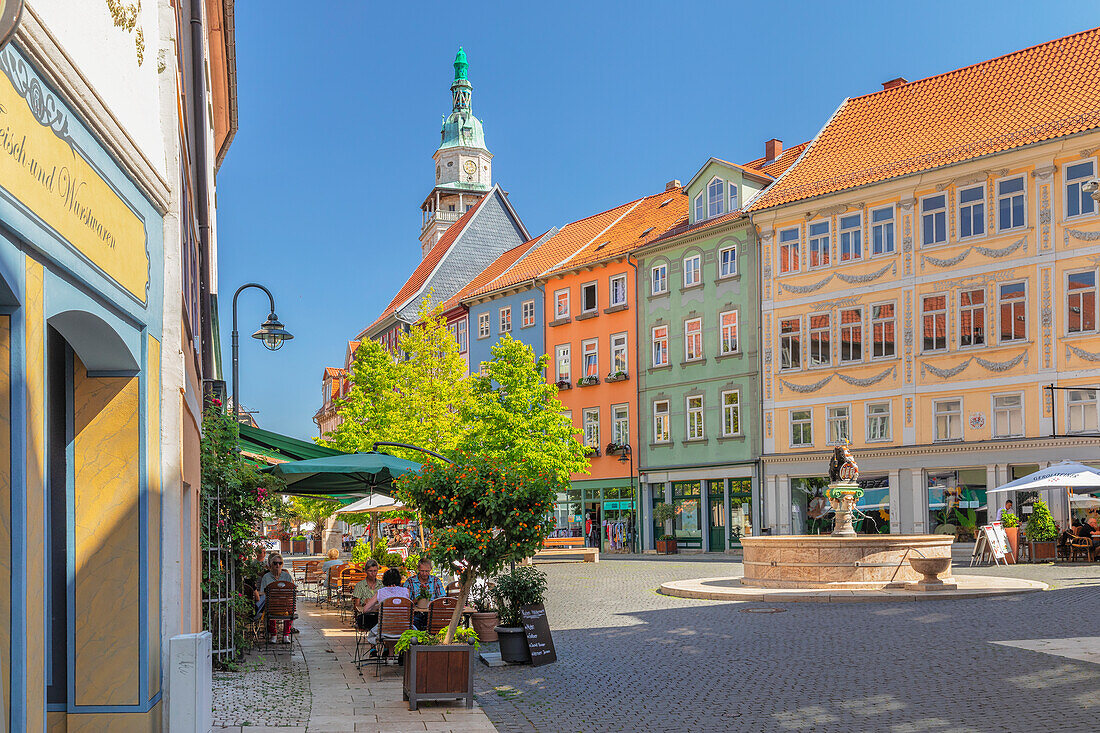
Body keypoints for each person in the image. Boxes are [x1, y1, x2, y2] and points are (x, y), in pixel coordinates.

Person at [256, 554, 295, 643]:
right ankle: (274, 635)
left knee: (290, 608)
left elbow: (291, 591)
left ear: (282, 564)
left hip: (284, 603)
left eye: (280, 563)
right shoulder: (266, 577)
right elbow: (262, 592)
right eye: (275, 563)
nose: (277, 565)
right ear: (271, 564)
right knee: (269, 608)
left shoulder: (287, 576)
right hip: (272, 603)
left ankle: (286, 635)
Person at [405, 558, 445, 630]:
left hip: (432, 614)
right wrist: (416, 600)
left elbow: (442, 598)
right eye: (422, 571)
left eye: (427, 571)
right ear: (418, 569)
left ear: (431, 569)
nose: (424, 574)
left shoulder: (436, 581)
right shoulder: (410, 581)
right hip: (416, 614)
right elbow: (406, 601)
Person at [351, 559, 381, 633]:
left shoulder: (382, 584)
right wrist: (363, 604)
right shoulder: (360, 585)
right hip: (366, 616)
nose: (373, 573)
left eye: (375, 571)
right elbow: (356, 606)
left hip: (380, 615)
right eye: (370, 571)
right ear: (366, 571)